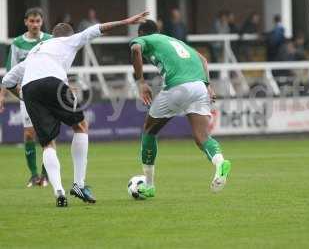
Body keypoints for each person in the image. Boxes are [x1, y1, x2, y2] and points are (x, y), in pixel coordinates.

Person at [2, 11, 149, 207]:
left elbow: (7, 80)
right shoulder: (69, 41)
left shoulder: (36, 50)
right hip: (53, 83)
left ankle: (59, 192)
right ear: (68, 36)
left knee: (47, 143)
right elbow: (97, 29)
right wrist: (126, 21)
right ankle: (79, 184)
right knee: (80, 125)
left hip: (30, 89)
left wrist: (23, 96)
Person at [129, 20, 231, 199]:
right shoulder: (175, 41)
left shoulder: (145, 39)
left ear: (142, 33)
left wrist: (141, 82)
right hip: (199, 86)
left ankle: (149, 185)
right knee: (202, 137)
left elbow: (135, 50)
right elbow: (203, 59)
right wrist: (208, 85)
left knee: (149, 131)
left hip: (178, 87)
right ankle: (220, 163)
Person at [0, 7, 52, 188]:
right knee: (29, 134)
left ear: (42, 22)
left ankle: (47, 175)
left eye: (38, 21)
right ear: (26, 22)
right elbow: (9, 73)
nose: (35, 24)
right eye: (32, 21)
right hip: (27, 95)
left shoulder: (49, 40)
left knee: (48, 134)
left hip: (47, 94)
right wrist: (2, 95)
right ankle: (33, 175)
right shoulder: (17, 44)